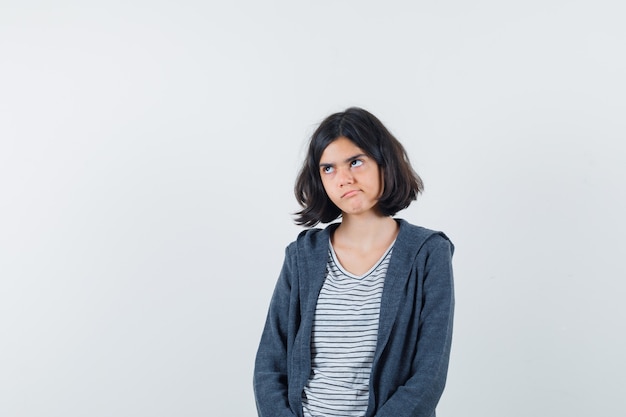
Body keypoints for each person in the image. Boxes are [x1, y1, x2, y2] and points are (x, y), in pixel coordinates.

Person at [253, 107, 455, 417]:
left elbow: (429, 373)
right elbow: (270, 363)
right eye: (328, 168)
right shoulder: (302, 255)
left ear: (383, 163)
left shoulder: (427, 253)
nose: (344, 178)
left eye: (355, 162)